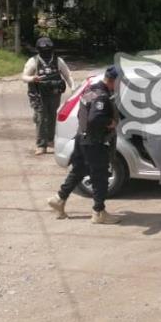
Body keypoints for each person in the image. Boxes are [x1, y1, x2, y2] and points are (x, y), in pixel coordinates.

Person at [47, 66, 121, 224]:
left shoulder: (90, 91)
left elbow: (83, 113)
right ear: (113, 81)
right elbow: (95, 118)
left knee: (79, 170)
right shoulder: (102, 96)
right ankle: (99, 212)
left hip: (81, 139)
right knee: (100, 176)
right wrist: (110, 122)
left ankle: (59, 198)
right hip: (94, 142)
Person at [22, 37, 74, 155]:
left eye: (48, 49)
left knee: (52, 117)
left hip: (54, 94)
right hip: (38, 95)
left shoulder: (58, 61)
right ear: (38, 50)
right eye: (43, 50)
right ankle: (41, 145)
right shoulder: (33, 61)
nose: (46, 52)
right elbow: (24, 77)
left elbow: (67, 75)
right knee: (41, 118)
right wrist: (33, 78)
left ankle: (50, 140)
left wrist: (73, 87)